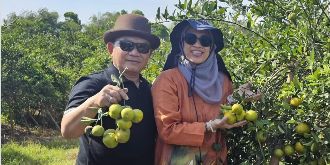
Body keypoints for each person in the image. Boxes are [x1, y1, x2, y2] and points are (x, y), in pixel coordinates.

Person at [61, 14, 160, 165]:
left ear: (149, 54)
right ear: (111, 48)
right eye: (127, 45)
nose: (134, 53)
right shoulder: (93, 83)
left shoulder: (151, 90)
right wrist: (94, 102)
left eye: (142, 48)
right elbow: (67, 130)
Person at [151, 19, 247, 165]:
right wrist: (208, 127)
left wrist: (242, 98)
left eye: (205, 40)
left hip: (215, 159)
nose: (197, 44)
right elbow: (167, 130)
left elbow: (227, 112)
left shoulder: (223, 81)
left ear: (212, 47)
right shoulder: (168, 80)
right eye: (190, 39)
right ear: (182, 43)